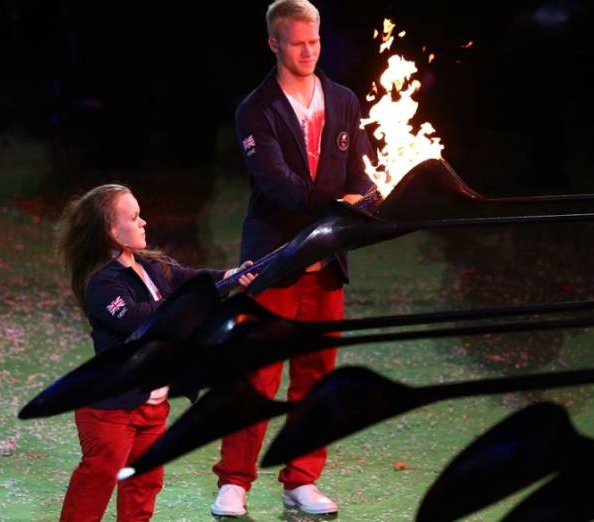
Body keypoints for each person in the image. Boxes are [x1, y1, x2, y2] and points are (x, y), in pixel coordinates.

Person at [211, 0, 376, 517]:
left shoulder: (345, 100)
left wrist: (366, 198)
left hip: (327, 266)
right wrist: (337, 206)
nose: (309, 51)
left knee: (316, 376)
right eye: (298, 43)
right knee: (255, 375)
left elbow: (360, 175)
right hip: (273, 262)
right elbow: (276, 184)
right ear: (274, 44)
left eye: (316, 41)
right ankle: (234, 482)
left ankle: (301, 479)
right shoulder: (255, 109)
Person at [56, 184, 253, 522]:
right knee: (98, 479)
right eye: (133, 217)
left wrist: (230, 277)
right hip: (109, 407)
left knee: (144, 483)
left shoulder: (149, 264)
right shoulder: (101, 283)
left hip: (150, 401)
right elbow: (140, 320)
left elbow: (188, 279)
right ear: (110, 231)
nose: (143, 222)